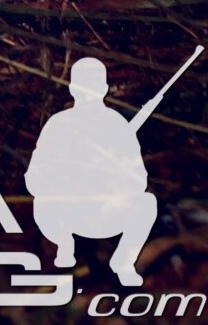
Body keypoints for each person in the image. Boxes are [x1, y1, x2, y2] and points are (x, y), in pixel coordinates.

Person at [27, 56, 159, 286]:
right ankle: (64, 245)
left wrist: (116, 174)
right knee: (41, 202)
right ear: (72, 89)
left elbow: (139, 180)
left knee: (147, 203)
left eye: (94, 86)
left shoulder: (116, 125)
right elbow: (34, 177)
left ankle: (124, 262)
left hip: (108, 210)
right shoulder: (59, 124)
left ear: (104, 89)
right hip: (68, 213)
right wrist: (66, 179)